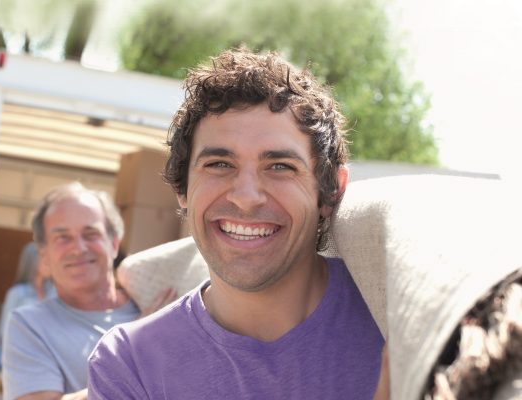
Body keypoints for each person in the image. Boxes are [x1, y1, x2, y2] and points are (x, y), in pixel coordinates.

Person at [88, 48, 385, 399]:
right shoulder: (131, 366)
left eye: (280, 167)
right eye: (218, 164)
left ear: (330, 191)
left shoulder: (396, 325)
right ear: (182, 189)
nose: (246, 197)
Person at [2, 182, 174, 400]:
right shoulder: (30, 326)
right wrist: (135, 347)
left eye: (90, 233)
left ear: (113, 244)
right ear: (44, 254)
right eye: (62, 237)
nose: (78, 248)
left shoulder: (160, 306)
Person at [0, 242, 55, 370]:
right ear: (32, 262)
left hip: (43, 364)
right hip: (11, 362)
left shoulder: (54, 293)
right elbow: (3, 332)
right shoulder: (16, 293)